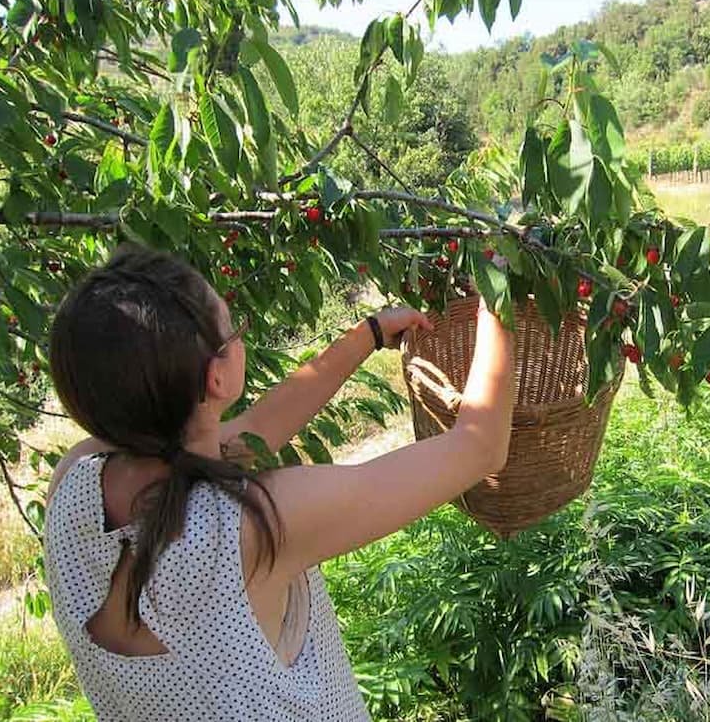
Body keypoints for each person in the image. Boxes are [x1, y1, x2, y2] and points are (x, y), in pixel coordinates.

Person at [42, 244, 515, 721]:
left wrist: (368, 335)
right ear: (216, 378)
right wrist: (499, 299)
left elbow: (248, 432)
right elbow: (479, 448)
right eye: (234, 330)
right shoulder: (253, 526)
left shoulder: (76, 480)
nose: (239, 337)